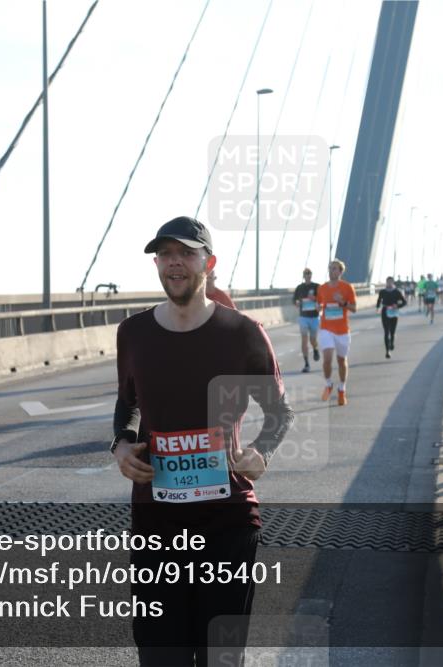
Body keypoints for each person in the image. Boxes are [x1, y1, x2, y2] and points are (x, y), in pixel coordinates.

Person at [112, 216, 294, 666]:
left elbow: (279, 412)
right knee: (160, 655)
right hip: (155, 519)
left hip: (227, 518)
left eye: (186, 254)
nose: (175, 263)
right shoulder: (133, 333)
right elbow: (128, 403)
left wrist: (262, 452)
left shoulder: (243, 333)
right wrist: (120, 443)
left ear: (208, 262)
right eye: (165, 254)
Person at [316, 259, 357, 406]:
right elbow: (319, 305)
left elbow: (353, 308)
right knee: (327, 359)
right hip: (326, 328)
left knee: (341, 360)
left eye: (335, 269)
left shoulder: (347, 288)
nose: (332, 271)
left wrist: (343, 303)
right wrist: (318, 308)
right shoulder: (321, 288)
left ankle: (341, 389)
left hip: (342, 330)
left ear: (340, 272)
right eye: (330, 268)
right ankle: (328, 384)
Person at [292, 268, 321, 372]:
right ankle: (306, 364)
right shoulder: (299, 288)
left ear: (311, 275)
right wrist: (297, 303)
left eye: (309, 273)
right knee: (304, 339)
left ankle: (315, 349)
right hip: (303, 317)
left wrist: (315, 299)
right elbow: (294, 300)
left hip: (314, 317)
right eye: (306, 273)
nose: (308, 275)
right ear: (303, 276)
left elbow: (322, 299)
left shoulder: (317, 286)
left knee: (312, 339)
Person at [375, 276, 407, 358]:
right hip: (385, 311)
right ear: (386, 282)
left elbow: (404, 302)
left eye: (390, 282)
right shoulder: (382, 291)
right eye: (388, 282)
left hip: (394, 312)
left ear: (393, 282)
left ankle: (392, 342)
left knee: (392, 332)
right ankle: (387, 351)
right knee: (386, 331)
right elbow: (379, 300)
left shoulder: (397, 292)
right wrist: (377, 308)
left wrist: (397, 306)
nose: (389, 283)